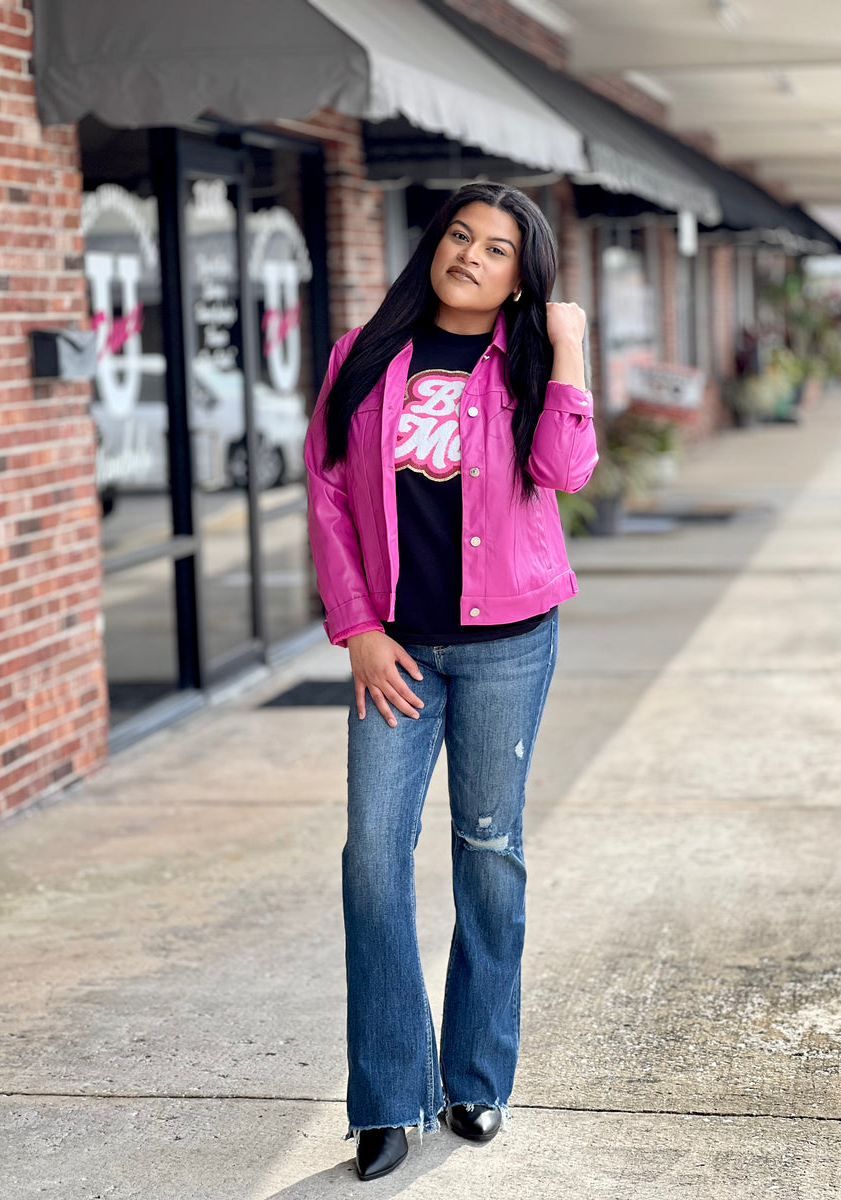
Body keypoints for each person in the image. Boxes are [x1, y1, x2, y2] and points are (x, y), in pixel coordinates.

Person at [304, 182, 597, 1182]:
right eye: (461, 236)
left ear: (525, 275)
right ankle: (390, 1096)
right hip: (398, 650)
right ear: (434, 246)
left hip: (510, 644)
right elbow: (331, 494)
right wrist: (358, 628)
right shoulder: (364, 355)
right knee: (373, 861)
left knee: (489, 852)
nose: (472, 254)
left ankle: (477, 1078)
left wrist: (569, 352)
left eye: (499, 248)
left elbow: (565, 470)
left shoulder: (522, 363)